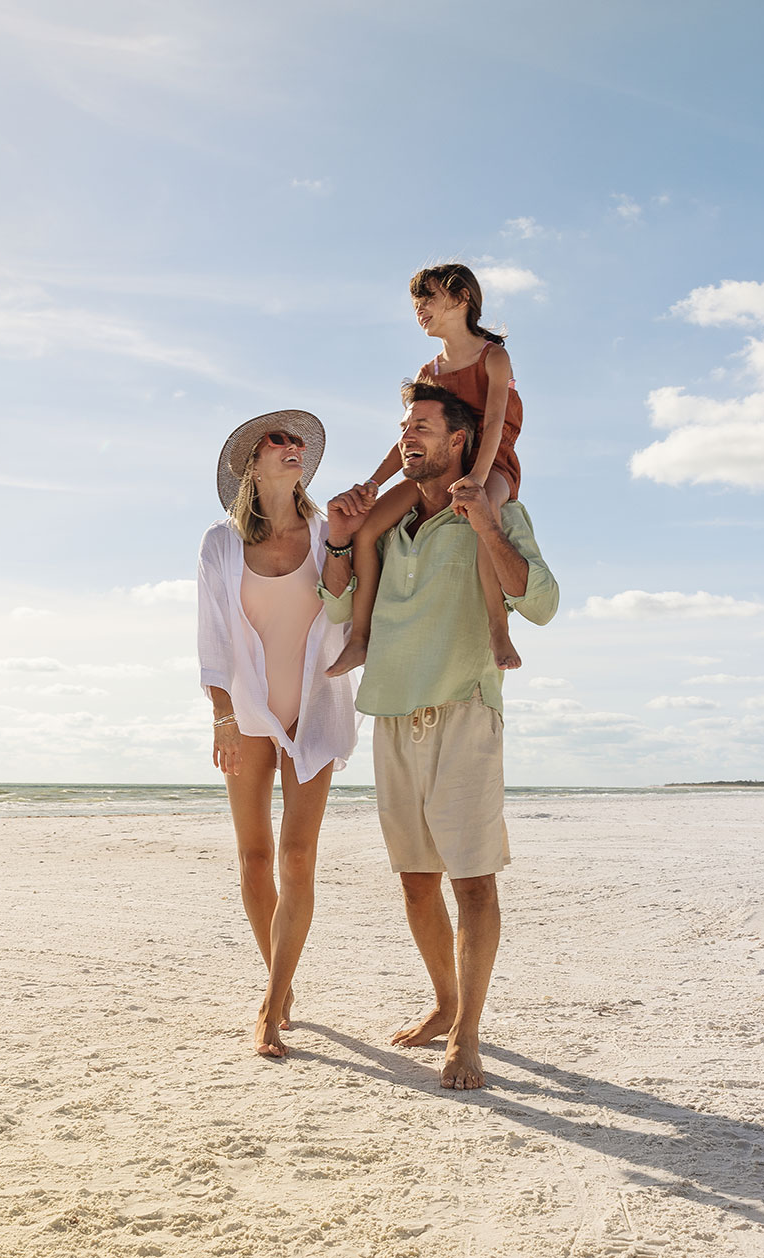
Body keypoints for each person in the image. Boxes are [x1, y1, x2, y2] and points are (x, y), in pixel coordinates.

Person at [320, 381, 559, 1090]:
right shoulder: (384, 525)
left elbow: (540, 602)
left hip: (464, 704)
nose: (407, 436)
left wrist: (486, 523)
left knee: (473, 882)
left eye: (423, 424)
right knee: (417, 885)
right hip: (392, 705)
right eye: (403, 427)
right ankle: (445, 1003)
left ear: (460, 440)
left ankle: (468, 1034)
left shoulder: (499, 509)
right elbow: (336, 603)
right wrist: (337, 537)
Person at [196, 410, 359, 1059]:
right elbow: (210, 636)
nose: (292, 448)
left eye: (298, 442)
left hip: (314, 711)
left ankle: (269, 1004)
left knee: (297, 859)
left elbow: (350, 606)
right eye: (278, 440)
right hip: (249, 715)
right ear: (251, 464)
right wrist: (223, 715)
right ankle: (280, 982)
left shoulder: (326, 534)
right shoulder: (220, 543)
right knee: (256, 859)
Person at [326, 263, 525, 678]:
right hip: (435, 470)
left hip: (491, 459)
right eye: (416, 302)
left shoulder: (494, 358)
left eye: (428, 298)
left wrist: (475, 480)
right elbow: (411, 437)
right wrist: (373, 483)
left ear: (462, 299)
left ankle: (498, 627)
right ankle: (360, 638)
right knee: (366, 530)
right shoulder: (428, 373)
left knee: (482, 512)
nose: (420, 308)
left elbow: (492, 427)